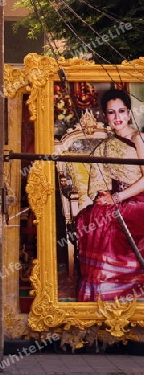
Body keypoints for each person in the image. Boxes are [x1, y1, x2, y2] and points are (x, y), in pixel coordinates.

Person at [76, 88, 144, 302]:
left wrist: (116, 198)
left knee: (107, 217)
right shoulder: (106, 145)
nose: (117, 117)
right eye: (112, 112)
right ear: (105, 116)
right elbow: (102, 178)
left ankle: (124, 287)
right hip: (121, 198)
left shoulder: (138, 138)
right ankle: (103, 290)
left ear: (129, 113)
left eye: (121, 111)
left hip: (139, 199)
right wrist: (105, 195)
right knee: (95, 213)